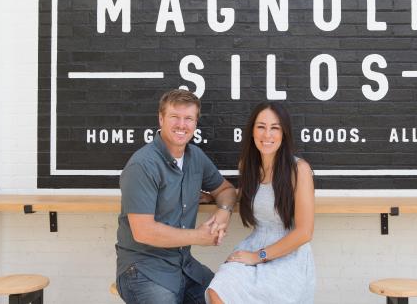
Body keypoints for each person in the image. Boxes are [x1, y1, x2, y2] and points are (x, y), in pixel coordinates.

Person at [116, 89, 237, 304]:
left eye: (188, 118)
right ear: (161, 119)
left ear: (195, 123)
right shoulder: (142, 165)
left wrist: (224, 212)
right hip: (144, 269)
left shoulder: (195, 157)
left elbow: (226, 190)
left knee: (228, 295)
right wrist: (199, 237)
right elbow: (144, 232)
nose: (182, 125)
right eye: (175, 117)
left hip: (183, 265)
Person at [206, 102, 316, 304]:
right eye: (261, 127)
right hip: (255, 243)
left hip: (289, 254)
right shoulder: (247, 166)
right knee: (218, 290)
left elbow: (304, 232)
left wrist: (258, 256)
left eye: (275, 128)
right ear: (252, 131)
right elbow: (254, 195)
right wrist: (215, 196)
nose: (267, 135)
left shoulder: (298, 170)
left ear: (284, 134)